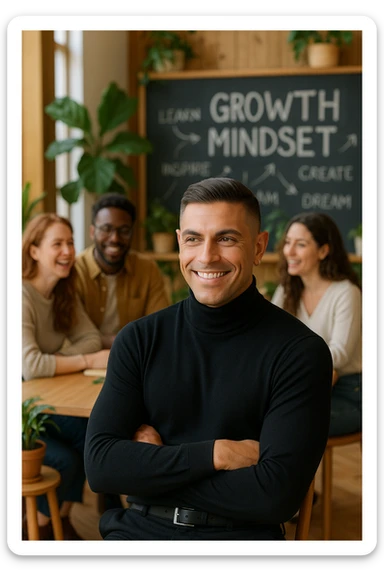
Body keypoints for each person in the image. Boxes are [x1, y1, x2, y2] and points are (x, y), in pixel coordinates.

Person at [84, 177, 333, 541]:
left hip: (238, 539)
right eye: (193, 239)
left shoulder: (299, 353)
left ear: (259, 247)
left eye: (227, 238)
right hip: (137, 533)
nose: (206, 256)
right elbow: (101, 467)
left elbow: (274, 498)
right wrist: (215, 455)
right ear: (180, 241)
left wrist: (156, 468)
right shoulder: (139, 339)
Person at [22, 213, 110, 540]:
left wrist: (56, 358)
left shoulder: (63, 292)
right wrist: (86, 359)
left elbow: (92, 336)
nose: (68, 251)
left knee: (94, 435)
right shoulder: (20, 295)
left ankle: (60, 520)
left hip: (47, 403)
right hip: (22, 413)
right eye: (57, 243)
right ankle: (43, 529)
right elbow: (31, 365)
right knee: (67, 459)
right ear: (33, 251)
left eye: (70, 243)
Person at [271, 211, 362, 437]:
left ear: (323, 251)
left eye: (300, 244)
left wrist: (290, 364)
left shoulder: (346, 292)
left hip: (349, 392)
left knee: (290, 426)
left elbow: (339, 353)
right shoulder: (287, 290)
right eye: (288, 243)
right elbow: (269, 339)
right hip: (301, 386)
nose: (289, 252)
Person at [75, 192, 171, 349]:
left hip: (135, 360)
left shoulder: (147, 270)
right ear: (92, 232)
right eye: (106, 229)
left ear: (132, 233)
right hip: (86, 360)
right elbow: (73, 334)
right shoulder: (76, 271)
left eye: (124, 230)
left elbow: (160, 327)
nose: (115, 238)